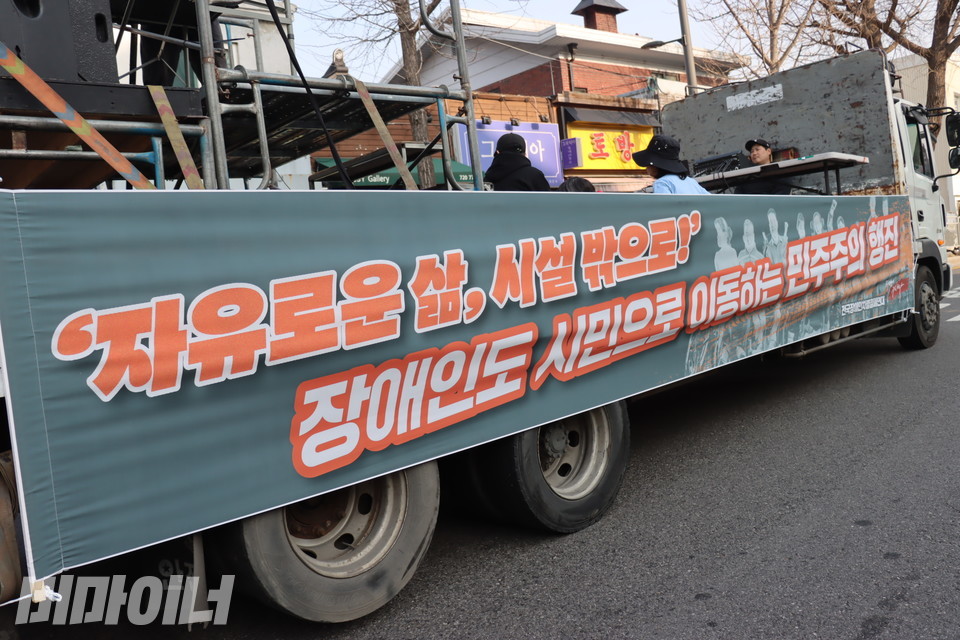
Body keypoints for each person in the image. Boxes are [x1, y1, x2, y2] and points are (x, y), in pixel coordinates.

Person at [632, 135, 709, 195]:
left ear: (655, 165)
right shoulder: (691, 182)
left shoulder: (662, 183)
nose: (646, 168)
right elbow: (711, 201)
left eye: (647, 163)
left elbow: (665, 209)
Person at [483, 133, 551, 191]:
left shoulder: (487, 179)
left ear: (497, 153)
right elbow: (549, 201)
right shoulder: (535, 176)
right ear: (525, 154)